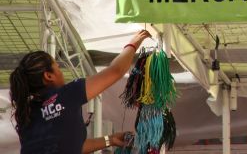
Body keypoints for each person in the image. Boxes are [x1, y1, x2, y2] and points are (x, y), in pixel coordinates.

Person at [9, 29, 152, 153]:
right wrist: (133, 44)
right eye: (57, 66)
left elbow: (72, 147)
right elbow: (115, 71)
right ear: (48, 75)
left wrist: (110, 140)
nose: (61, 70)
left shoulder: (25, 114)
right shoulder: (66, 94)